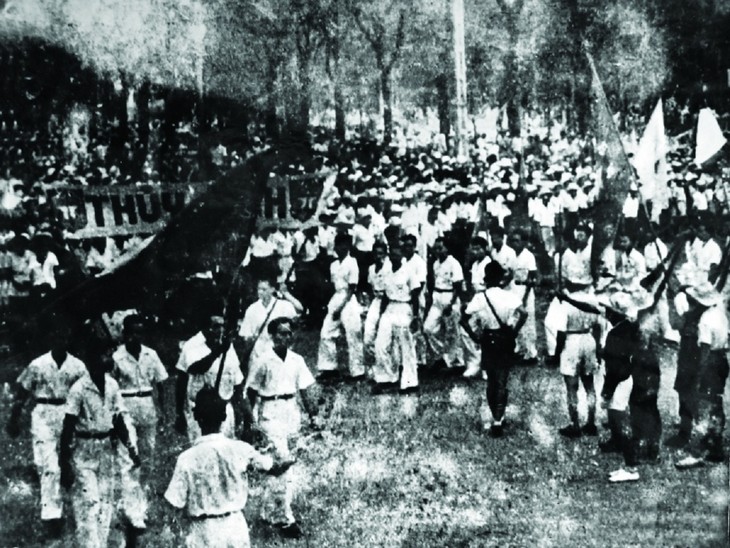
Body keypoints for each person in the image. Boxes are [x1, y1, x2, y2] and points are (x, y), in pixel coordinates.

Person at [165, 386, 292, 547]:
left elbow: (174, 504)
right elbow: (275, 468)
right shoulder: (241, 449)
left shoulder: (186, 459)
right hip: (235, 527)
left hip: (203, 531)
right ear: (225, 416)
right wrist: (292, 458)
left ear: (196, 416)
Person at [5, 322, 87, 538]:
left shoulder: (77, 366)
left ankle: (82, 512)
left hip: (68, 414)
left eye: (65, 336)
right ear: (50, 339)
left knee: (72, 464)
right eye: (56, 336)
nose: (61, 341)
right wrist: (14, 418)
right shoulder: (38, 364)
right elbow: (22, 392)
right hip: (43, 413)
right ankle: (52, 516)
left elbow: (86, 394)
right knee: (49, 466)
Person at [59, 335, 140, 548]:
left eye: (110, 354)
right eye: (104, 354)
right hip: (84, 449)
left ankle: (100, 544)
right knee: (89, 501)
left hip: (105, 448)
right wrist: (64, 462)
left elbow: (118, 418)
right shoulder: (79, 389)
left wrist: (130, 448)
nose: (109, 359)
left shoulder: (112, 385)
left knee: (106, 502)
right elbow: (68, 426)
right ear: (92, 359)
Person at [246, 318, 319, 539]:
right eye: (281, 333)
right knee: (281, 464)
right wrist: (252, 423)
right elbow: (250, 393)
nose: (285, 337)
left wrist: (313, 415)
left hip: (291, 412)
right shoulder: (263, 360)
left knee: (288, 468)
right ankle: (286, 519)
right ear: (272, 336)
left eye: (289, 333)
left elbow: (306, 389)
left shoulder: (297, 360)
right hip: (270, 411)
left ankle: (269, 511)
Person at [111, 314, 168, 533]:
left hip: (146, 405)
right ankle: (132, 513)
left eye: (140, 332)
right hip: (125, 406)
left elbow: (161, 383)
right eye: (132, 332)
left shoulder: (150, 354)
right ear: (125, 334)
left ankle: (140, 507)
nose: (136, 337)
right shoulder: (117, 357)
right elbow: (110, 387)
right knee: (130, 459)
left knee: (148, 458)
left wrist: (161, 409)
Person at [461, 262, 527, 437]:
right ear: (500, 279)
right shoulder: (508, 296)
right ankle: (499, 417)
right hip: (505, 339)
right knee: (502, 380)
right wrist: (514, 331)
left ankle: (495, 417)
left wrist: (475, 336)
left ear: (485, 279)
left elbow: (464, 319)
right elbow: (524, 313)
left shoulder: (480, 298)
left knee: (491, 380)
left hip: (488, 340)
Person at [675, 283, 729, 468]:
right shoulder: (720, 314)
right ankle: (716, 446)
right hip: (721, 358)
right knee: (716, 403)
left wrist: (699, 374)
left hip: (711, 362)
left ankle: (696, 452)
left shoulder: (704, 321)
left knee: (703, 406)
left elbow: (705, 351)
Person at [175, 314, 245, 443]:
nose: (220, 330)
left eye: (222, 326)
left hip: (224, 409)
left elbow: (237, 380)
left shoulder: (228, 347)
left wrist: (243, 412)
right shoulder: (192, 346)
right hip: (201, 411)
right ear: (205, 329)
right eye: (216, 326)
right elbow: (196, 368)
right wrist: (179, 413)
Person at [554, 278, 602, 438]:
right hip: (588, 339)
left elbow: (561, 332)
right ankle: (590, 422)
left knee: (571, 387)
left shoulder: (566, 303)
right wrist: (598, 349)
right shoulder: (592, 300)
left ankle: (574, 424)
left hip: (572, 341)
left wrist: (556, 353)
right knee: (589, 384)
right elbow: (598, 327)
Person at [372, 244, 421, 394]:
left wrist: (416, 316)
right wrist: (381, 315)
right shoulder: (386, 272)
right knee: (381, 345)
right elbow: (385, 296)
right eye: (392, 255)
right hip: (389, 309)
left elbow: (416, 294)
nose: (394, 257)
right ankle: (386, 379)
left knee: (406, 347)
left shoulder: (408, 271)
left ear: (402, 256)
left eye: (397, 255)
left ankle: (410, 382)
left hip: (404, 307)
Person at [316, 233, 365, 381]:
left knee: (353, 334)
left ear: (348, 246)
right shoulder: (334, 265)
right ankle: (329, 368)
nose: (339, 248)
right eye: (337, 245)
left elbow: (351, 288)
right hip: (337, 297)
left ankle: (357, 372)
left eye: (343, 245)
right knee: (326, 332)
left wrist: (340, 308)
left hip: (348, 300)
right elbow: (333, 286)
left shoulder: (352, 262)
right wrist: (333, 306)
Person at [238, 276, 301, 373]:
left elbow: (299, 310)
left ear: (272, 289)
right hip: (258, 351)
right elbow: (246, 334)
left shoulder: (283, 305)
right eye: (258, 289)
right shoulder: (252, 309)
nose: (260, 292)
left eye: (264, 289)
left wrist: (286, 293)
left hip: (278, 349)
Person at [424, 237, 465, 373]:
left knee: (453, 332)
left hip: (449, 297)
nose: (438, 251)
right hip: (437, 297)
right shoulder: (435, 264)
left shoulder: (454, 263)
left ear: (447, 248)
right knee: (428, 328)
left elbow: (458, 286)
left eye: (440, 248)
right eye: (436, 248)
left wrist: (451, 303)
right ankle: (440, 356)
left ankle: (457, 362)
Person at [509, 229, 538, 363]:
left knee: (528, 322)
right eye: (513, 240)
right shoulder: (512, 255)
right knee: (515, 320)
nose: (515, 243)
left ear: (524, 242)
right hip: (514, 288)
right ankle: (519, 349)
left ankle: (531, 353)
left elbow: (532, 279)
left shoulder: (529, 256)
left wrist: (525, 297)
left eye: (517, 240)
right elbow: (510, 274)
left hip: (525, 289)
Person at [363, 241, 391, 373]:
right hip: (376, 300)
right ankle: (372, 366)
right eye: (376, 253)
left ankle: (387, 367)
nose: (378, 256)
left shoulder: (389, 268)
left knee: (384, 336)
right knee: (368, 335)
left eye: (381, 253)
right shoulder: (371, 268)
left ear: (385, 254)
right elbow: (370, 287)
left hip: (388, 302)